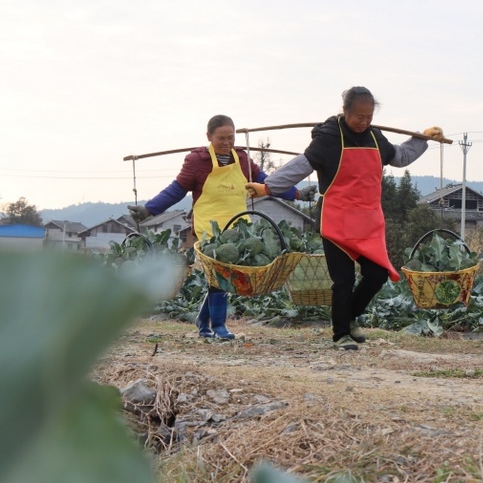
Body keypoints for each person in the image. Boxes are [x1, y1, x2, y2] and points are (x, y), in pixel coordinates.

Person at [246, 87, 444, 346]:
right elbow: (301, 165)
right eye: (358, 117)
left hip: (369, 222)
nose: (364, 122)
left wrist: (422, 138)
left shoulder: (375, 137)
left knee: (377, 275)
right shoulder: (328, 138)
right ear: (345, 112)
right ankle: (341, 334)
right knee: (344, 280)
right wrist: (269, 187)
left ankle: (349, 316)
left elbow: (400, 156)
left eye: (369, 117)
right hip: (337, 221)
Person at [128, 114, 317, 340]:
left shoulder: (243, 160)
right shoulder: (197, 161)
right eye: (221, 138)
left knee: (222, 276)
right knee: (219, 274)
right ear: (209, 137)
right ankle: (217, 326)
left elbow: (268, 184)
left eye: (231, 137)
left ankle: (203, 322)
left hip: (238, 227)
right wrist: (149, 210)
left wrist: (297, 193)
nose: (227, 143)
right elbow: (176, 190)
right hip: (210, 227)